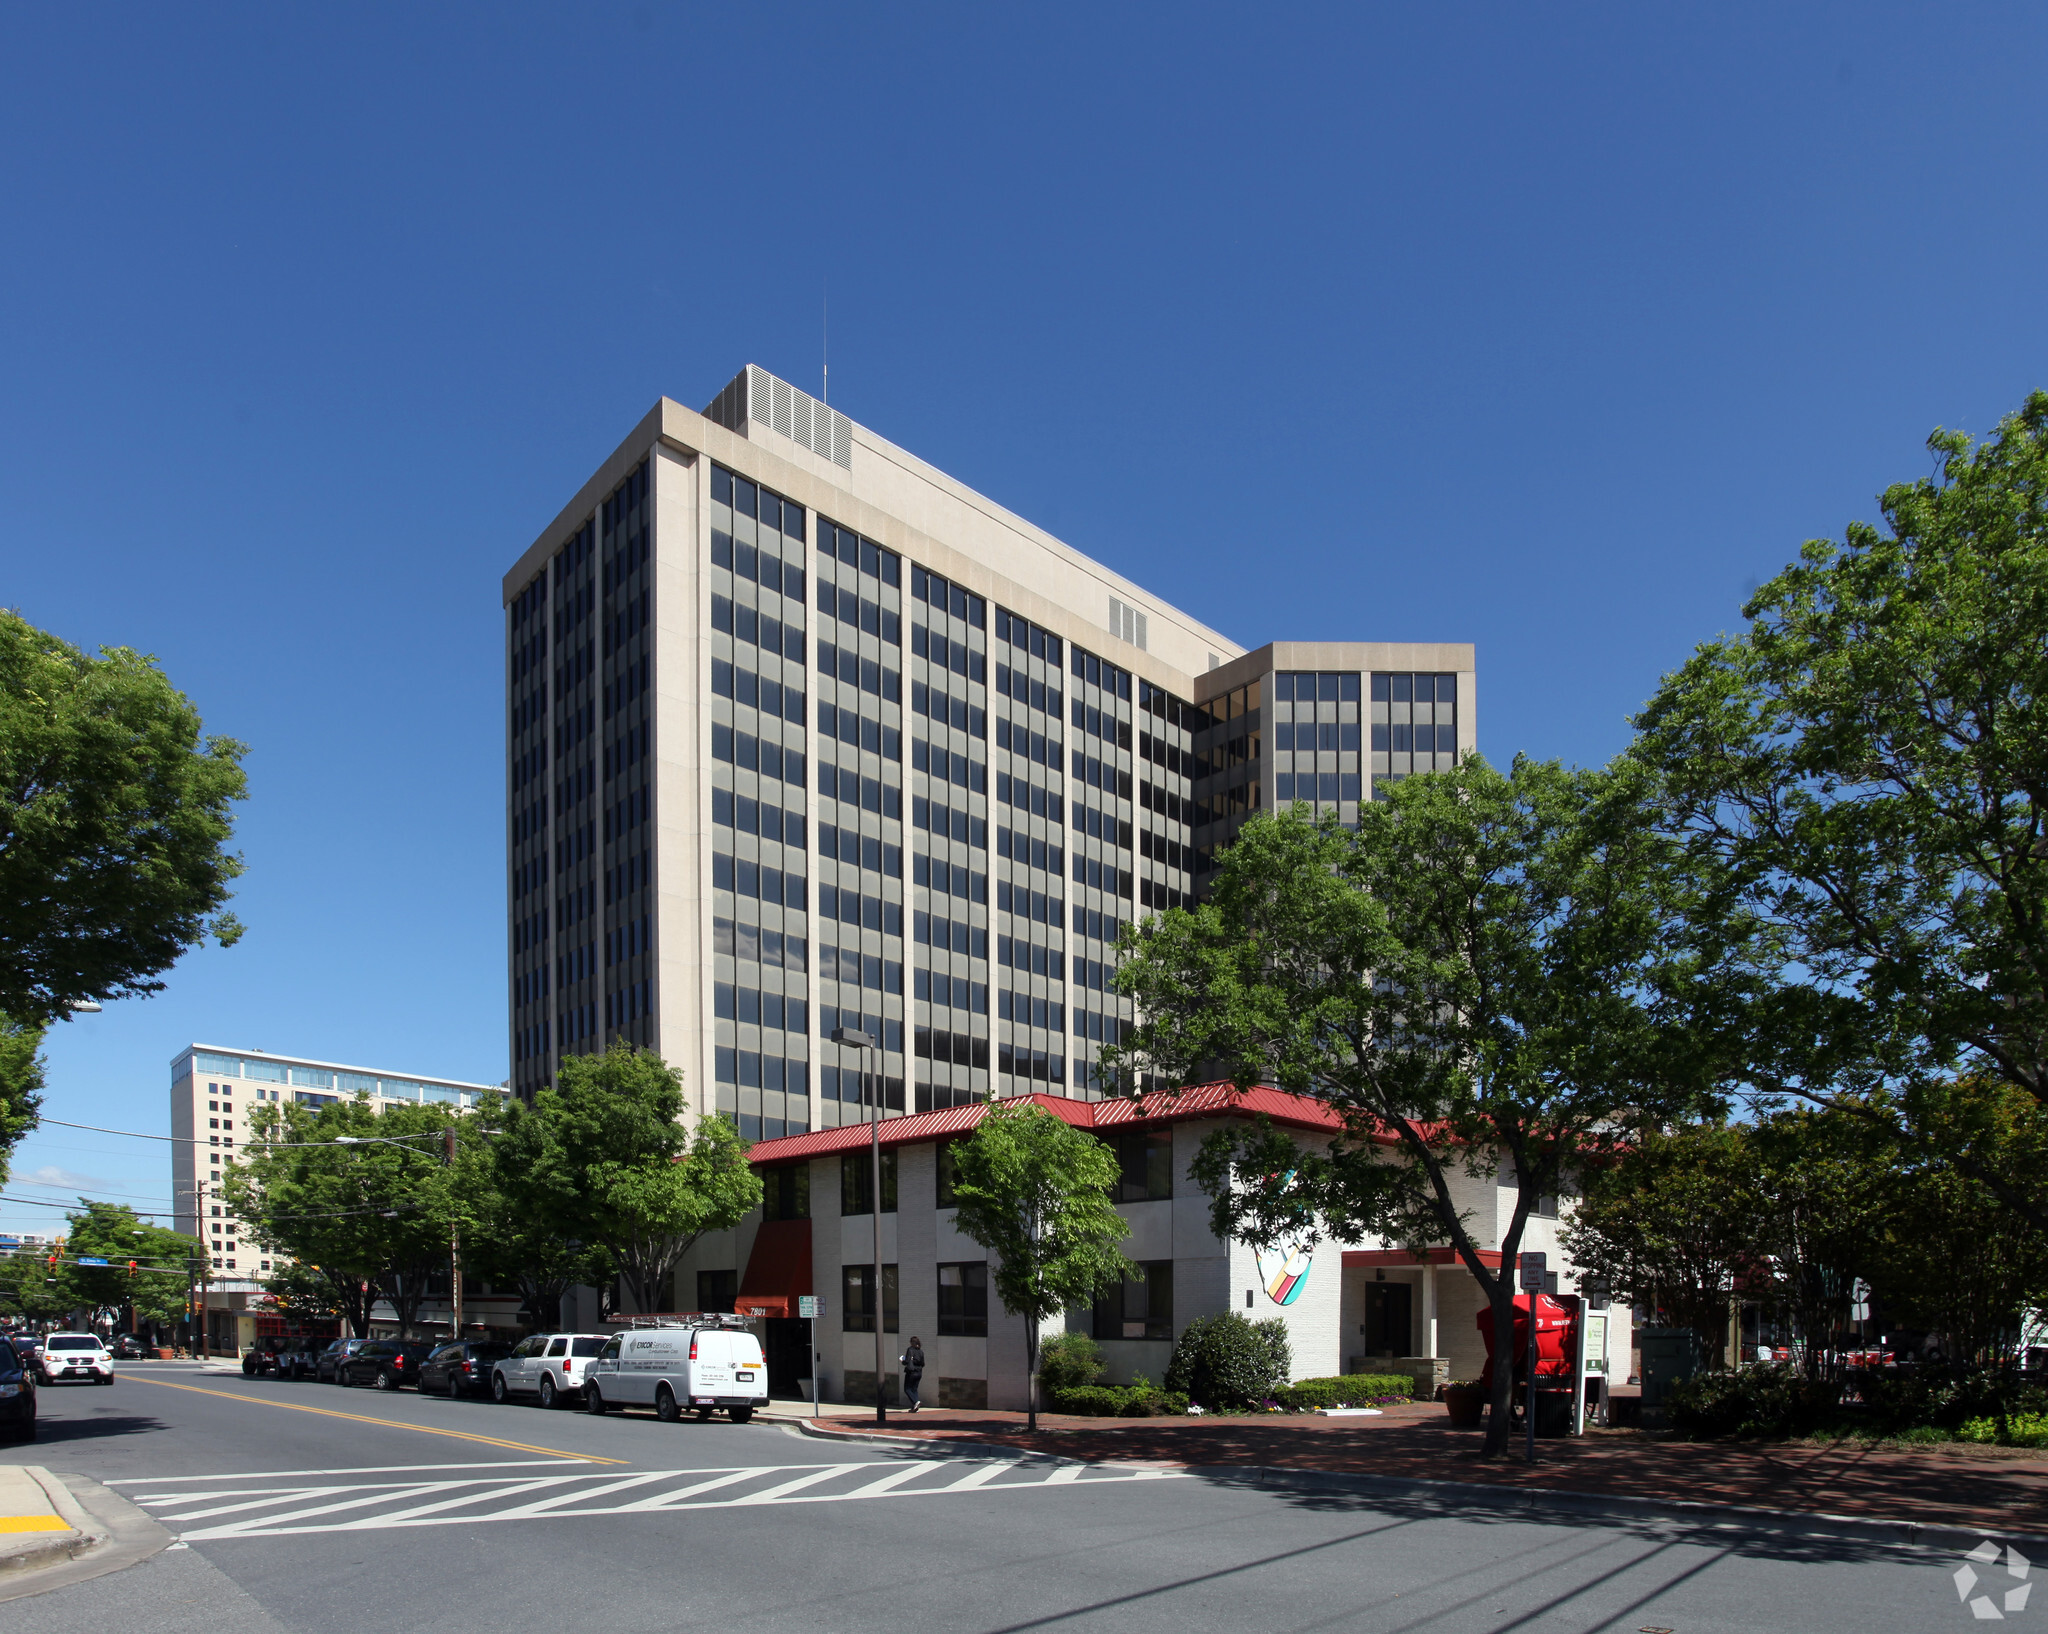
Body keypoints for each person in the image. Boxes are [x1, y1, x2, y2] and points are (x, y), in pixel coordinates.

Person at [900, 1336, 926, 1413]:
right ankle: (914, 1406)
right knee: (914, 1389)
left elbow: (907, 1361)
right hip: (919, 1372)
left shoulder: (910, 1349)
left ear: (911, 1342)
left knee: (907, 1389)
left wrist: (902, 1361)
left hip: (911, 1372)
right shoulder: (921, 1351)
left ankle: (915, 1402)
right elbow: (923, 1363)